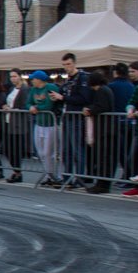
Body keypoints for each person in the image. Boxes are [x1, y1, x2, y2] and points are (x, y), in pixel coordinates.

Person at [49, 53, 91, 188]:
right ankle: (66, 177)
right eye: (64, 65)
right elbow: (63, 95)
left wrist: (62, 98)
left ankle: (79, 178)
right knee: (66, 150)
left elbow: (84, 99)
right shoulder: (68, 80)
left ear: (74, 63)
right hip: (66, 117)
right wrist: (56, 98)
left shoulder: (82, 78)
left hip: (77, 117)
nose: (66, 67)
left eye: (68, 64)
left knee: (77, 149)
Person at [27, 70, 62, 186]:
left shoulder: (51, 87)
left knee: (49, 152)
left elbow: (49, 104)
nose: (32, 81)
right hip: (39, 123)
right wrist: (31, 107)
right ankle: (48, 174)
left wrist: (37, 107)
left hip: (50, 124)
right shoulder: (33, 90)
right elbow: (28, 102)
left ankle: (53, 176)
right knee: (41, 152)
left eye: (33, 79)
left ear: (39, 79)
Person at [83, 71, 116, 193]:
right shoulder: (105, 90)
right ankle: (102, 183)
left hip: (104, 129)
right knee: (104, 158)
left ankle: (102, 184)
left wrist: (90, 110)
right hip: (106, 128)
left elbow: (102, 107)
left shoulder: (101, 91)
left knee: (103, 158)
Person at [1, 68, 28, 182]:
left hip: (18, 123)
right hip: (9, 120)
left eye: (15, 76)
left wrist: (12, 109)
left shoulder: (24, 89)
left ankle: (18, 172)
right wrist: (5, 106)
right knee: (7, 148)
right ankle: (16, 171)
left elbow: (24, 106)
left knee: (14, 149)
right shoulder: (12, 89)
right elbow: (8, 102)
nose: (13, 79)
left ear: (20, 76)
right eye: (11, 76)